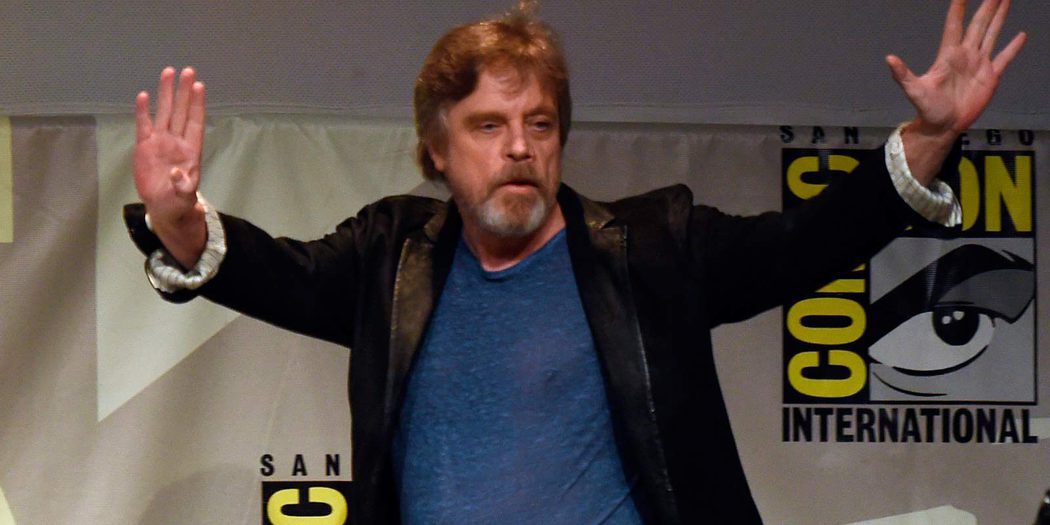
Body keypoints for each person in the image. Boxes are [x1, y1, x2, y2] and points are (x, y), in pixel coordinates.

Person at [124, 1, 1025, 523]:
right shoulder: (389, 255)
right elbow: (274, 274)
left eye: (540, 123)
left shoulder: (654, 248)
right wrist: (179, 220)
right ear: (435, 148)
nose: (519, 146)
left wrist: (929, 138)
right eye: (488, 125)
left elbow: (806, 246)